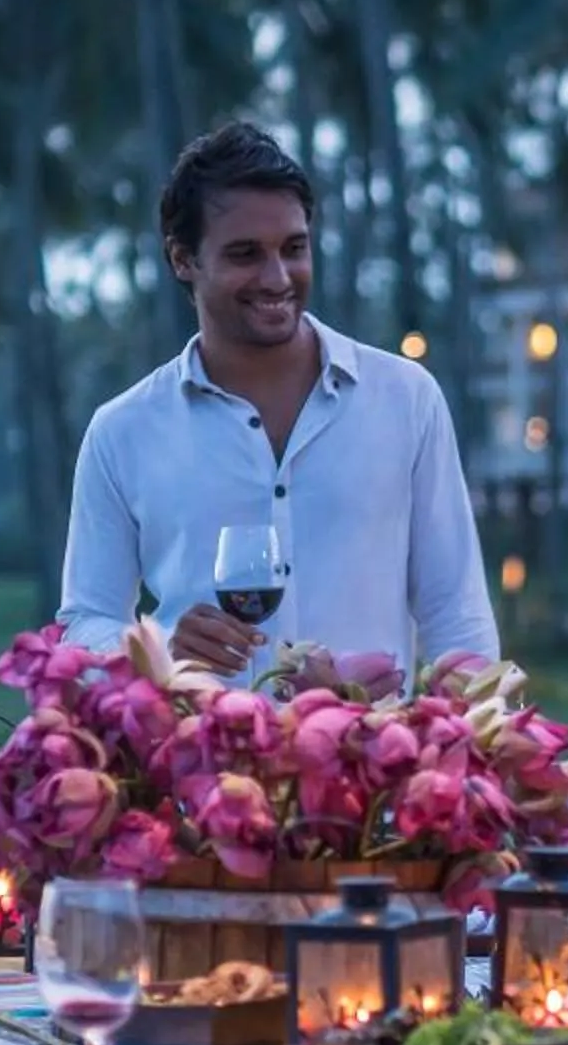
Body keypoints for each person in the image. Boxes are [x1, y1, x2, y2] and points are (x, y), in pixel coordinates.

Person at [58, 121, 502, 680]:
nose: (277, 278)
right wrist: (159, 649)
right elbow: (85, 621)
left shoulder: (406, 400)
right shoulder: (123, 431)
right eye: (245, 254)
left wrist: (476, 724)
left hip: (369, 738)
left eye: (294, 248)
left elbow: (457, 613)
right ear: (183, 259)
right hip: (197, 737)